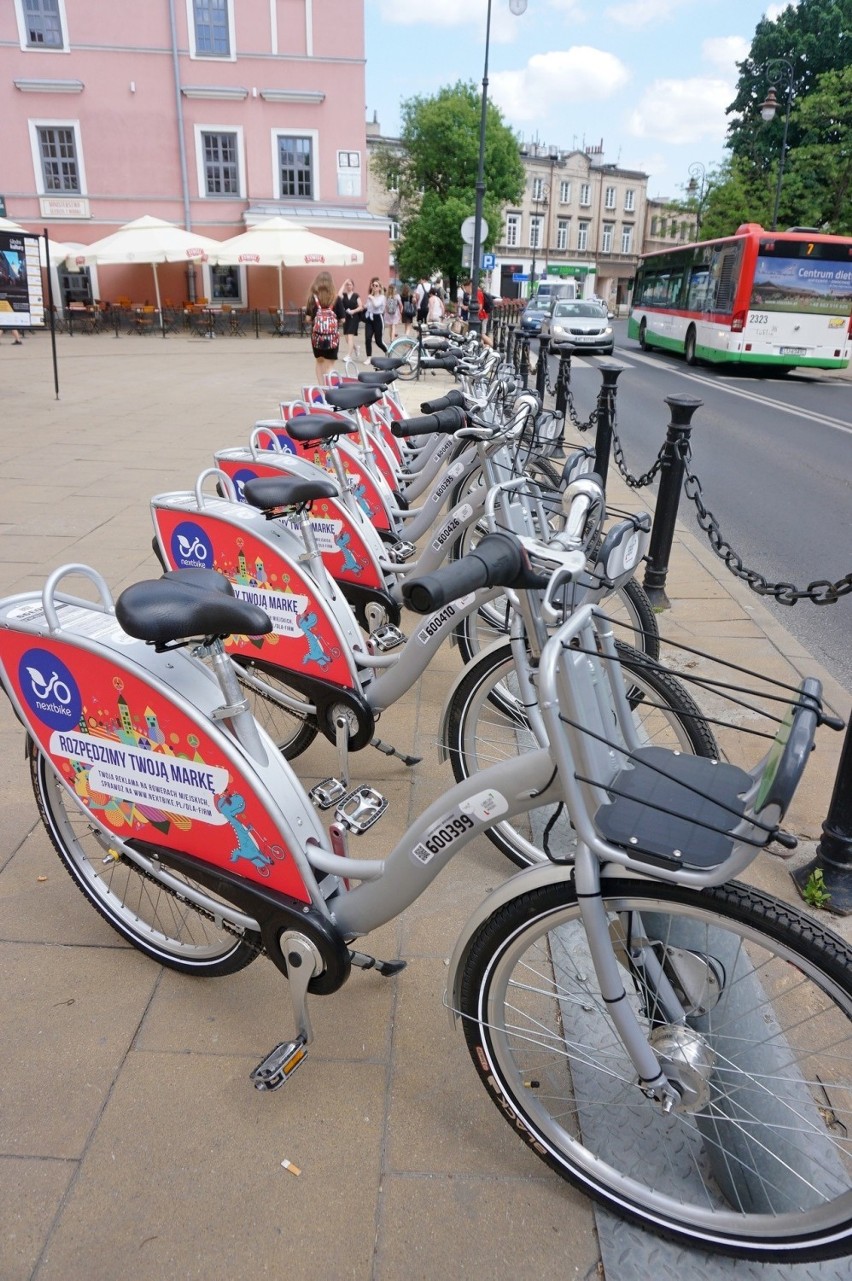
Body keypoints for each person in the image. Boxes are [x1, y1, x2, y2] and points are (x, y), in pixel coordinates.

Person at [305, 271, 344, 382]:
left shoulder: (312, 299)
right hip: (332, 338)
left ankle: (322, 387)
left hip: (317, 338)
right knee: (330, 364)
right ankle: (329, 389)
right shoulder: (336, 299)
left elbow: (308, 319)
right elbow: (343, 319)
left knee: (319, 362)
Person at [338, 278, 363, 360]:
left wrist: (353, 311)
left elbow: (360, 307)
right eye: (347, 285)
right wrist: (344, 283)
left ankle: (349, 355)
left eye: (350, 284)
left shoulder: (356, 295)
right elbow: (338, 294)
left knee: (350, 336)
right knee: (346, 338)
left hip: (354, 317)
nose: (349, 286)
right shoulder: (344, 295)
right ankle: (356, 348)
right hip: (346, 318)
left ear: (353, 286)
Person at [363, 278, 388, 360]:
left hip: (378, 319)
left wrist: (371, 297)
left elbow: (376, 305)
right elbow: (367, 306)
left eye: (376, 285)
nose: (374, 287)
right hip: (369, 318)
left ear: (380, 288)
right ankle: (368, 357)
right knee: (368, 338)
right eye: (373, 285)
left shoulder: (382, 297)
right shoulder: (370, 296)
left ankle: (387, 351)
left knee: (378, 341)